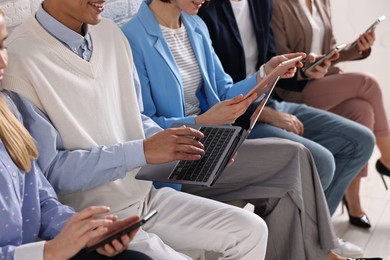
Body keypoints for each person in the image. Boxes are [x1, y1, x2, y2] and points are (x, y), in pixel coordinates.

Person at [2, 0, 269, 259]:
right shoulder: (17, 59)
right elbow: (50, 173)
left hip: (145, 198)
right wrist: (141, 152)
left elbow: (135, 117)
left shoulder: (111, 34)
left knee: (251, 231)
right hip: (92, 217)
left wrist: (191, 148)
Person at [121, 1, 377, 259]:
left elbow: (224, 92)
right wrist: (201, 122)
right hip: (177, 157)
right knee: (294, 157)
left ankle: (319, 254)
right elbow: (143, 125)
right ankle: (325, 255)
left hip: (212, 142)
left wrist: (267, 73)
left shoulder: (195, 25)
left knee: (287, 184)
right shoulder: (131, 37)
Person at [0, 9, 151, 260]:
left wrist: (85, 231)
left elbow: (41, 196)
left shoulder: (7, 113)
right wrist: (48, 252)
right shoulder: (26, 61)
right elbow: (55, 172)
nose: (4, 61)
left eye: (2, 46)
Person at [271, 0, 390, 230]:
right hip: (294, 88)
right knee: (368, 83)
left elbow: (331, 49)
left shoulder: (321, 1)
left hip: (322, 80)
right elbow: (277, 55)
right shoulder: (277, 5)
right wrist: (309, 67)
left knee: (362, 110)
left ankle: (353, 201)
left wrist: (358, 48)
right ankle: (388, 159)